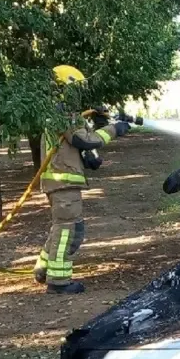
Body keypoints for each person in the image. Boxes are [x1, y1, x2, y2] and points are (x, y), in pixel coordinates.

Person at [32, 65, 132, 294]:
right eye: (75, 89)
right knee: (69, 230)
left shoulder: (58, 113)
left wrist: (89, 155)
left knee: (63, 227)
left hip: (60, 181)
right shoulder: (61, 114)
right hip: (63, 183)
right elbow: (84, 140)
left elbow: (75, 144)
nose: (78, 95)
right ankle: (58, 282)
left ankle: (43, 268)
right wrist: (115, 129)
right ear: (64, 88)